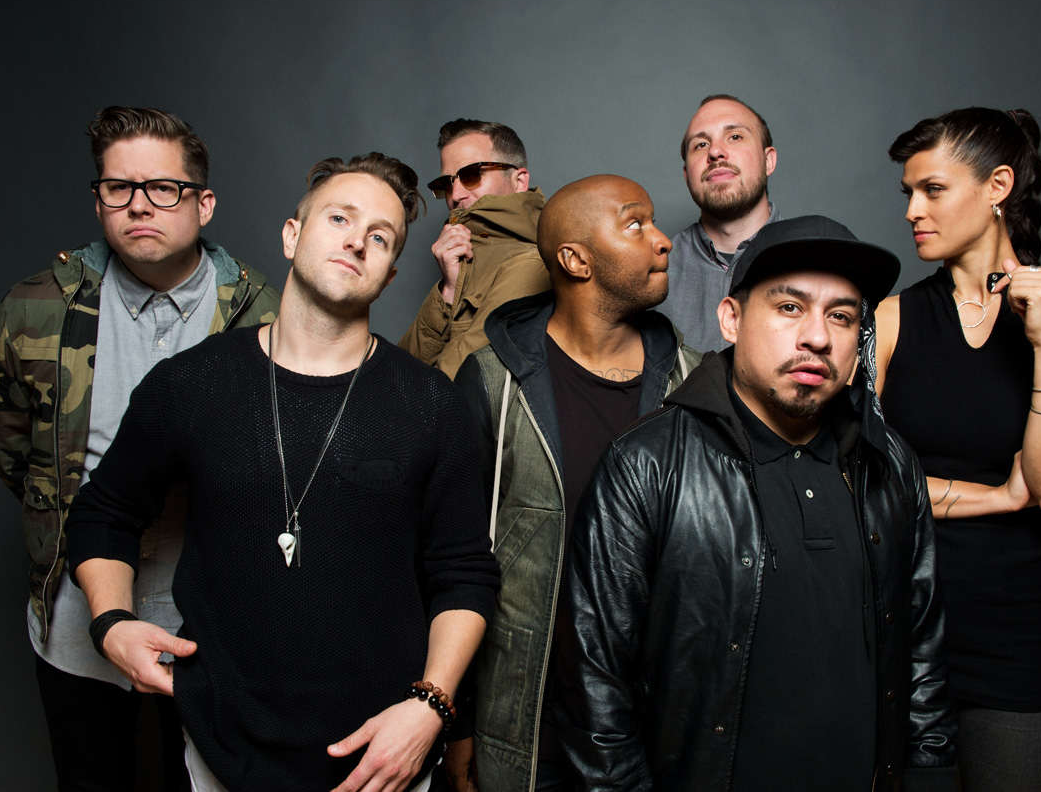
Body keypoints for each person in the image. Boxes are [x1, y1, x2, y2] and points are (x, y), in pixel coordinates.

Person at [64, 153, 500, 791]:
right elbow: (104, 512)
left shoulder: (433, 405)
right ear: (292, 236)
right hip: (221, 747)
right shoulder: (191, 383)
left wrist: (430, 706)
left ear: (388, 274)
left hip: (386, 754)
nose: (357, 240)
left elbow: (463, 572)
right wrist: (110, 624)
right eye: (339, 218)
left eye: (380, 236)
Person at [556, 215, 958, 791]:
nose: (817, 337)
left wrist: (931, 776)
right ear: (731, 319)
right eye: (790, 307)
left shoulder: (889, 461)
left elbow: (922, 651)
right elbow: (594, 684)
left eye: (841, 316)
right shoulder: (646, 464)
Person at [0, 105, 281, 790]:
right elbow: (10, 442)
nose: (139, 205)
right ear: (99, 201)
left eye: (163, 188)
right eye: (119, 187)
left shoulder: (265, 317)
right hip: (75, 618)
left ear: (203, 203)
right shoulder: (36, 308)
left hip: (214, 619)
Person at [875, 107, 1041, 792]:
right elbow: (862, 483)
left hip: (1016, 630)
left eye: (932, 189)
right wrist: (998, 498)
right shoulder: (888, 320)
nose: (912, 211)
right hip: (896, 619)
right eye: (909, 193)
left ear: (998, 187)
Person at [454, 175, 702, 791]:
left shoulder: (695, 385)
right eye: (635, 224)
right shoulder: (492, 382)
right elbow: (457, 561)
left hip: (656, 727)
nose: (663, 240)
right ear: (575, 259)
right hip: (527, 723)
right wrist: (457, 722)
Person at [399, 119, 550, 378]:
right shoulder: (460, 258)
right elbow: (396, 369)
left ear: (519, 181)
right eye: (447, 184)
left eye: (472, 175)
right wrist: (448, 291)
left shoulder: (531, 264)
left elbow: (456, 384)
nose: (455, 195)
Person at [656, 94, 781, 352]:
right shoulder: (652, 273)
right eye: (700, 144)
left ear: (768, 161)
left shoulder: (820, 262)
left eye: (735, 136)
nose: (715, 152)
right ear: (687, 175)